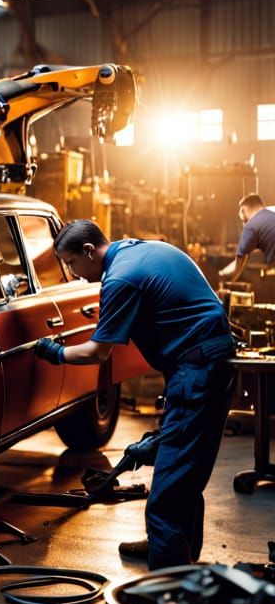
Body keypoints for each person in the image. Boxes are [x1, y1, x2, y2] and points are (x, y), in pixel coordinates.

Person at [34, 220, 235, 571]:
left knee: (167, 494)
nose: (73, 273)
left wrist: (56, 353)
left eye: (71, 263)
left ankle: (168, 584)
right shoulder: (137, 249)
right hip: (211, 360)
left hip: (197, 369)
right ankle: (173, 551)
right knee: (186, 470)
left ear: (88, 251)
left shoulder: (119, 279)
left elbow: (98, 352)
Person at [218, 193, 275, 282]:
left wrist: (223, 274)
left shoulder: (251, 226)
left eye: (244, 220)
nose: (244, 225)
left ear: (245, 210)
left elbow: (237, 268)